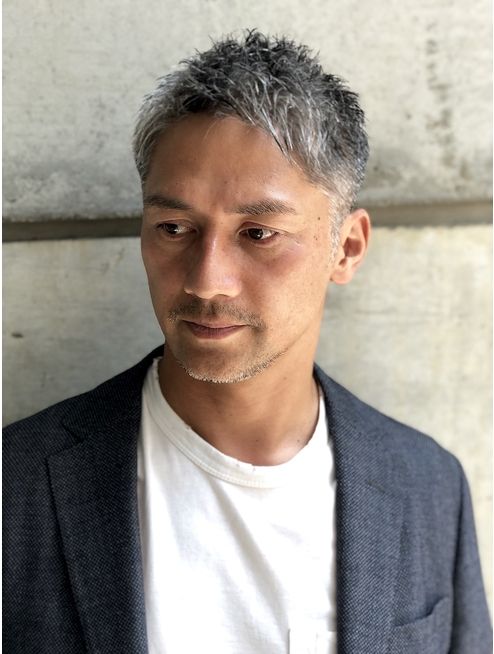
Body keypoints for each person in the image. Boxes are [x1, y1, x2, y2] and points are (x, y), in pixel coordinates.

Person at [3, 30, 491, 654]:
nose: (207, 280)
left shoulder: (427, 486)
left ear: (346, 248)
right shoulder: (16, 485)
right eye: (173, 227)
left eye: (258, 233)